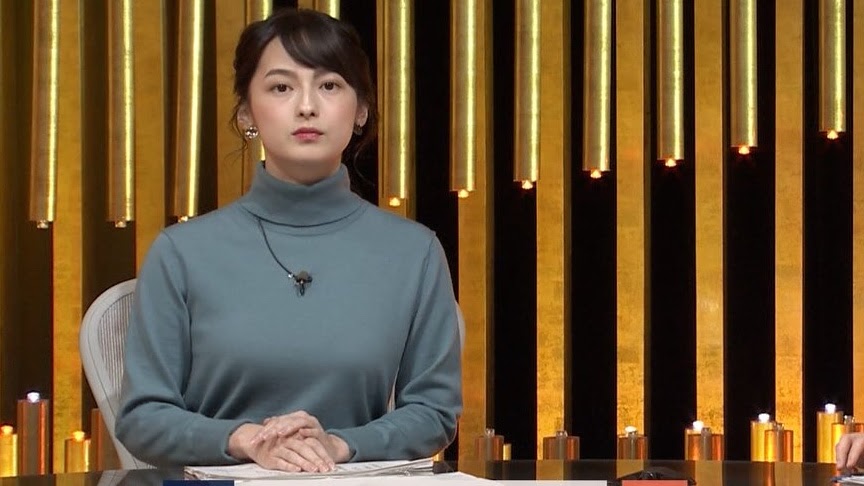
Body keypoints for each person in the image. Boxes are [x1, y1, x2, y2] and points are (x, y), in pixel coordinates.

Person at [115, 8, 462, 472]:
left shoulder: (414, 252)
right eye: (281, 87)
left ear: (361, 109)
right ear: (246, 111)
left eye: (329, 85)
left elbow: (434, 414)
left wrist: (337, 445)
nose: (307, 106)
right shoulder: (180, 253)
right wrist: (247, 440)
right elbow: (142, 418)